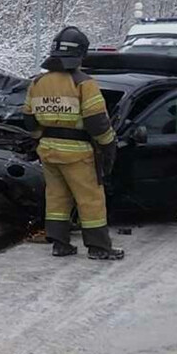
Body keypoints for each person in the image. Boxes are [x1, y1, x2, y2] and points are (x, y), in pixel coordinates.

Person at [22, 26, 124, 260]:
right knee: (90, 199)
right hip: (78, 153)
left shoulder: (37, 82)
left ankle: (60, 243)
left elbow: (28, 118)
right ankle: (99, 247)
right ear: (81, 54)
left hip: (48, 150)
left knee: (57, 197)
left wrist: (41, 137)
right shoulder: (83, 83)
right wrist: (108, 145)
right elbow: (97, 121)